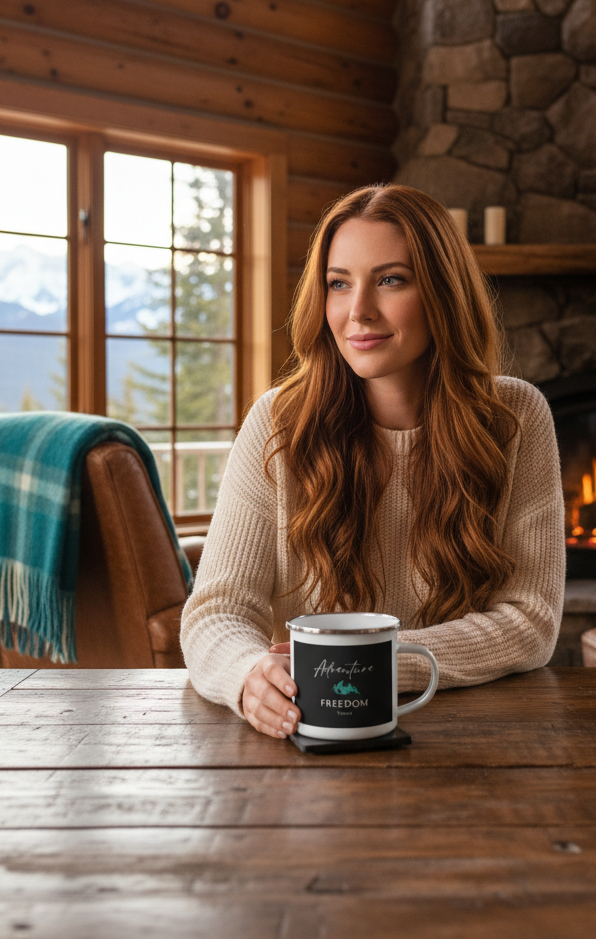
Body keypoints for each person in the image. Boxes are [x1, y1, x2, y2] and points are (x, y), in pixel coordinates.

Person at [180, 184, 565, 738]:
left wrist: (353, 663)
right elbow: (216, 612)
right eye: (339, 284)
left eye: (390, 280)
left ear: (442, 292)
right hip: (307, 732)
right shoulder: (277, 424)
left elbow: (531, 621)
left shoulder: (516, 418)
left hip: (473, 737)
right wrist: (247, 676)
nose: (358, 311)